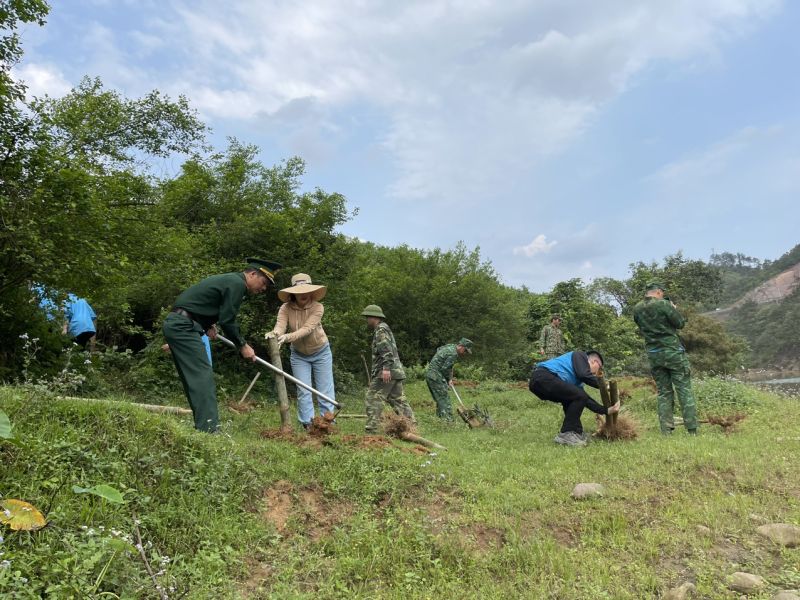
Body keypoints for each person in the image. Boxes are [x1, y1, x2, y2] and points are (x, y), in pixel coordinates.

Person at [162, 257, 281, 433]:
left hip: (182, 323)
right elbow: (227, 320)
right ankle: (209, 429)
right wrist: (242, 345)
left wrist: (206, 324)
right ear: (253, 274)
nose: (263, 289)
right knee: (202, 377)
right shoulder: (237, 284)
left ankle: (203, 426)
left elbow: (200, 303)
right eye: (263, 283)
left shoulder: (230, 280)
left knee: (194, 378)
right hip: (183, 326)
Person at [267, 273, 335, 429]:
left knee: (325, 389)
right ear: (293, 293)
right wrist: (275, 334)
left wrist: (287, 337)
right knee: (303, 390)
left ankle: (328, 423)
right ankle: (308, 425)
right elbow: (280, 325)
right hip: (299, 355)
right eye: (299, 291)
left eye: (306, 290)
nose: (303, 294)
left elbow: (307, 329)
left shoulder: (318, 307)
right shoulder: (285, 308)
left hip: (321, 351)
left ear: (311, 291)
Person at [632, 281, 698, 435]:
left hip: (654, 354)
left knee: (663, 392)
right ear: (659, 292)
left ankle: (666, 430)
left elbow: (641, 327)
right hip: (673, 352)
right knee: (684, 389)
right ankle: (692, 429)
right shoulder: (664, 305)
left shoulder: (637, 308)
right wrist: (673, 309)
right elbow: (680, 323)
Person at [529, 350, 620, 447]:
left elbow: (586, 400)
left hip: (542, 383)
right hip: (543, 377)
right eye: (599, 368)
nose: (598, 373)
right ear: (594, 361)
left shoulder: (576, 379)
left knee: (573, 398)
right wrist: (606, 386)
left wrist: (606, 410)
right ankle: (566, 434)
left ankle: (576, 433)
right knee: (579, 395)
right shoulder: (580, 355)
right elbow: (584, 375)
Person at [362, 304, 415, 433]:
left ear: (374, 317)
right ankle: (411, 425)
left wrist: (385, 369)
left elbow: (386, 350)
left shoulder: (380, 330)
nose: (367, 320)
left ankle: (372, 429)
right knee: (398, 400)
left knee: (373, 398)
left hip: (386, 371)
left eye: (367, 317)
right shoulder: (385, 329)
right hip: (396, 371)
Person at [425, 338, 473, 421]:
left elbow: (439, 350)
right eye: (465, 351)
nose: (465, 353)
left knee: (440, 398)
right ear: (461, 347)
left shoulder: (450, 347)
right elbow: (445, 369)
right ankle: (448, 421)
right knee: (444, 398)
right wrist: (448, 379)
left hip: (430, 374)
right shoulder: (453, 354)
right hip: (436, 375)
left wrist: (450, 379)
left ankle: (440, 419)